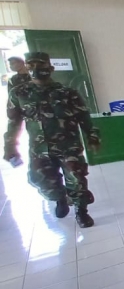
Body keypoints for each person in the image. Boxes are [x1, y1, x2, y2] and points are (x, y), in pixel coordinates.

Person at [4, 52, 100, 227]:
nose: (35, 70)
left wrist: (92, 136)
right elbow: (13, 123)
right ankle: (60, 198)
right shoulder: (19, 93)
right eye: (31, 66)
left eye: (40, 66)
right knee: (42, 180)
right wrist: (10, 146)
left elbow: (84, 117)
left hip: (69, 145)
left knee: (77, 179)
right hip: (39, 148)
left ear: (50, 68)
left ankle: (81, 211)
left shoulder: (67, 93)